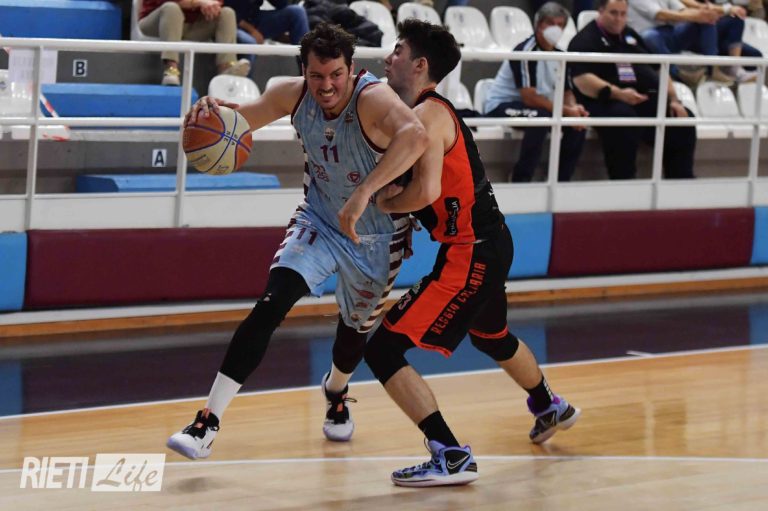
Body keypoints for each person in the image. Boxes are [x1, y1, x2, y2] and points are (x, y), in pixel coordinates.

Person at [166, 22, 428, 459]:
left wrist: (365, 191)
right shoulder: (292, 94)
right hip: (320, 220)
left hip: (377, 235)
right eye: (316, 75)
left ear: (351, 69)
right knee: (270, 305)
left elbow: (416, 135)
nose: (326, 86)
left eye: (336, 75)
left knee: (353, 333)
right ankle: (206, 423)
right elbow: (236, 123)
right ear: (303, 71)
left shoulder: (373, 98)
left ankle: (336, 391)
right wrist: (206, 114)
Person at [361, 19, 581, 488]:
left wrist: (380, 202)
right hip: (491, 243)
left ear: (420, 65)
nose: (388, 58)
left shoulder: (428, 115)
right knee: (492, 336)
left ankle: (450, 453)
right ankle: (548, 404)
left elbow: (425, 192)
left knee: (381, 348)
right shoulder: (428, 111)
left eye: (397, 51)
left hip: (471, 253)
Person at [568, 0, 697, 180]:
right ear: (601, 11)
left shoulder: (630, 35)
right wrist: (619, 94)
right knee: (624, 119)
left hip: (640, 98)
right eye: (613, 13)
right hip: (606, 99)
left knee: (682, 120)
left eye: (623, 14)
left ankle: (680, 181)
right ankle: (624, 181)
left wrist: (673, 100)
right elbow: (582, 80)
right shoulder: (585, 40)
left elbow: (660, 67)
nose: (618, 19)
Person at [484, 2, 588, 182]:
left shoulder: (560, 55)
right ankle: (520, 179)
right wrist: (566, 111)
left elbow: (567, 91)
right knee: (541, 119)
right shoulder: (525, 52)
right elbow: (529, 97)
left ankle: (559, 179)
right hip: (503, 105)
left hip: (537, 107)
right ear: (538, 24)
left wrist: (574, 109)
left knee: (577, 124)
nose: (555, 28)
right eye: (550, 23)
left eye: (560, 24)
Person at [627, 0, 758, 85]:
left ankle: (714, 68)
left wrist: (705, 14)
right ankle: (673, 75)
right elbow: (660, 14)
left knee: (708, 19)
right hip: (649, 35)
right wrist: (696, 15)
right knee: (650, 36)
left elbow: (682, 10)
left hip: (671, 31)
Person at [139, 0, 251, 86]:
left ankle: (226, 68)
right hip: (158, 19)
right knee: (171, 8)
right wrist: (198, 2)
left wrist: (211, 7)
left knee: (227, 13)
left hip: (192, 24)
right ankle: (171, 70)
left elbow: (215, 3)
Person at [225, 0, 310, 74]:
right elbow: (227, 9)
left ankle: (308, 71)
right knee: (250, 42)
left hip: (254, 17)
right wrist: (252, 31)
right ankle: (243, 85)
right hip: (231, 22)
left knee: (297, 12)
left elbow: (282, 4)